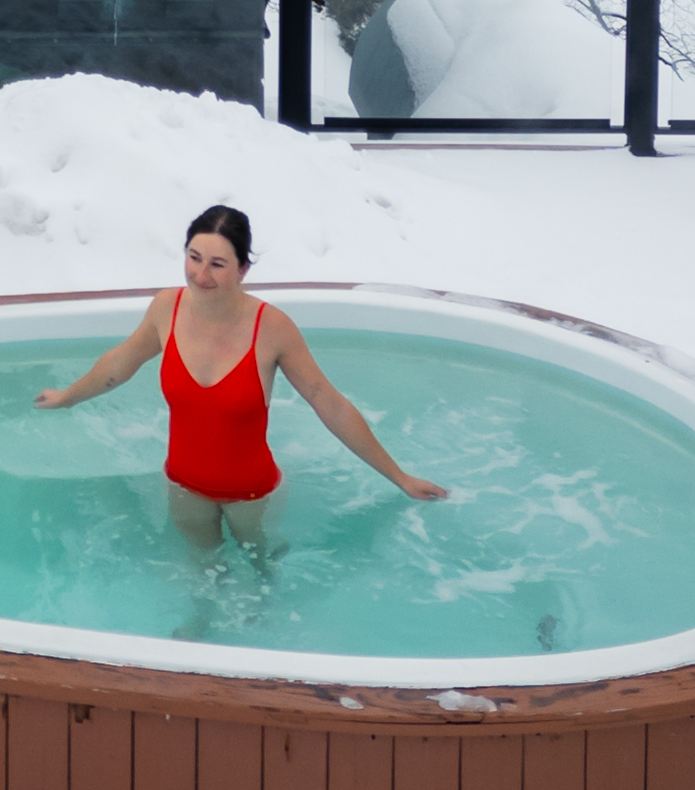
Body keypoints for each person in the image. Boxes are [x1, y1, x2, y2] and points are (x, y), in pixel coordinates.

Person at [33, 203, 447, 553]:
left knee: (263, 572)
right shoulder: (166, 309)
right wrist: (68, 397)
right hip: (184, 487)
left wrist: (400, 477)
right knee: (201, 576)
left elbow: (329, 403)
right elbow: (118, 365)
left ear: (243, 269)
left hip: (252, 495)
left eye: (217, 264)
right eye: (194, 258)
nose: (201, 275)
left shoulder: (272, 328)